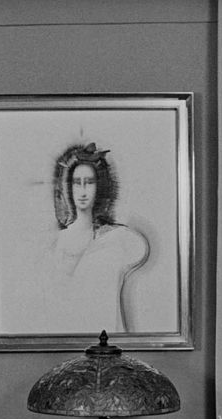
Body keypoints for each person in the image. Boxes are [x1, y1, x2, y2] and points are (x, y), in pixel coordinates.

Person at [45, 143, 149, 333]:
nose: (83, 190)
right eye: (77, 183)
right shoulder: (57, 242)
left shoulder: (118, 238)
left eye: (90, 182)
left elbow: (139, 249)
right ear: (69, 187)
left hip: (108, 338)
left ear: (99, 187)